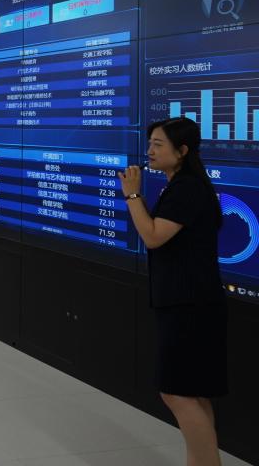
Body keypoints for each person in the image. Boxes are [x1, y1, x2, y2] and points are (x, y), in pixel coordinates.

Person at [119, 117, 227, 466]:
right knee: (191, 392)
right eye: (150, 143)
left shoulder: (187, 189)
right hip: (189, 301)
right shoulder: (181, 185)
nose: (150, 151)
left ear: (182, 151)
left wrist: (132, 195)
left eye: (158, 144)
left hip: (189, 304)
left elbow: (153, 236)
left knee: (177, 392)